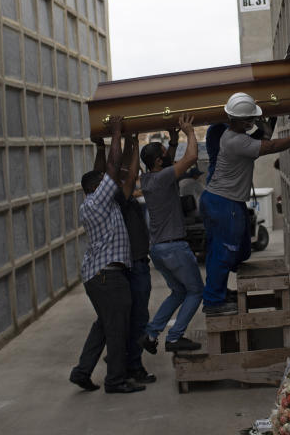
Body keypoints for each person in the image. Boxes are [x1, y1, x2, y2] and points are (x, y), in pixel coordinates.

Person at [200, 93, 290, 315]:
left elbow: (261, 136)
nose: (252, 122)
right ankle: (214, 302)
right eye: (250, 119)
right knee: (225, 250)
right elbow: (270, 145)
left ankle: (217, 291)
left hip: (224, 200)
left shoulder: (232, 135)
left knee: (237, 249)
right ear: (240, 121)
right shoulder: (235, 140)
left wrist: (272, 116)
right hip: (223, 202)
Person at [69, 116, 145, 394]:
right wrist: (116, 133)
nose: (109, 183)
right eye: (103, 183)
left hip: (100, 277)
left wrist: (102, 147)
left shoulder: (98, 202)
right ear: (94, 189)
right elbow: (112, 169)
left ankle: (82, 371)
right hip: (108, 277)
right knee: (117, 329)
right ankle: (115, 380)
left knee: (103, 325)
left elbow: (103, 170)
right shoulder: (97, 202)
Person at [137, 114, 205, 353]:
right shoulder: (164, 177)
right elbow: (192, 157)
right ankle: (174, 338)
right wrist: (188, 132)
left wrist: (173, 140)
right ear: (158, 161)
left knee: (178, 292)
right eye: (165, 155)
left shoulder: (148, 178)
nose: (168, 158)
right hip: (174, 247)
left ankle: (151, 333)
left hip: (157, 249)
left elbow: (169, 163)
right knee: (196, 291)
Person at [111, 133, 157, 384]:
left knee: (128, 318)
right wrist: (133, 142)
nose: (133, 174)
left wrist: (130, 142)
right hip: (134, 264)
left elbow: (129, 171)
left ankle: (121, 360)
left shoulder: (119, 194)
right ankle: (133, 365)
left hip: (136, 262)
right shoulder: (119, 195)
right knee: (138, 317)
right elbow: (130, 173)